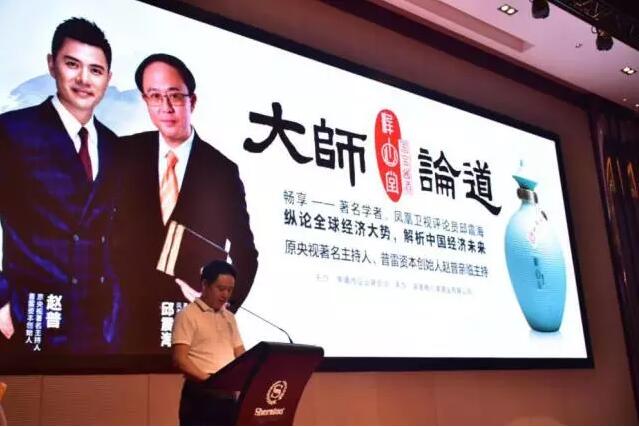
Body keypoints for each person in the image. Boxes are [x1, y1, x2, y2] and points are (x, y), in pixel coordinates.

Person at [114, 53, 258, 352]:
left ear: (193, 100)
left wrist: (223, 308)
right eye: (155, 96)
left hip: (192, 331)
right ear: (145, 100)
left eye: (175, 96)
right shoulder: (123, 153)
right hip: (122, 327)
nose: (165, 107)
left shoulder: (222, 170)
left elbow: (245, 253)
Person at [0, 18, 120, 353]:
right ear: (52, 64)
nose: (84, 79)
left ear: (108, 79)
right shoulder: (12, 131)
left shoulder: (114, 146)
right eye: (72, 64)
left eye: (95, 70)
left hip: (98, 330)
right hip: (29, 316)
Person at [172, 260, 245, 425]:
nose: (225, 295)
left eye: (230, 290)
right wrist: (211, 382)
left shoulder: (229, 318)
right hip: (200, 395)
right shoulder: (187, 315)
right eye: (221, 289)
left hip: (227, 395)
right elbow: (180, 359)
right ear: (205, 285)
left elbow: (240, 352)